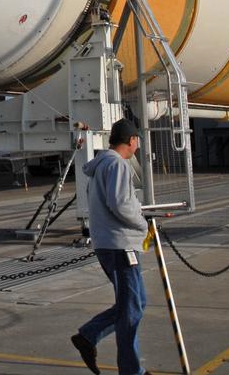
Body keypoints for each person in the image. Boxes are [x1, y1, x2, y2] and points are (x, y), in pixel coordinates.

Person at [71, 119, 152, 375]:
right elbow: (120, 204)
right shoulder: (117, 164)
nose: (138, 143)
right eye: (137, 139)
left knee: (136, 302)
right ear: (132, 140)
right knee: (131, 308)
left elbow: (116, 202)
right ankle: (130, 370)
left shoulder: (103, 165)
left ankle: (90, 335)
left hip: (111, 243)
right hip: (120, 247)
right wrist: (143, 223)